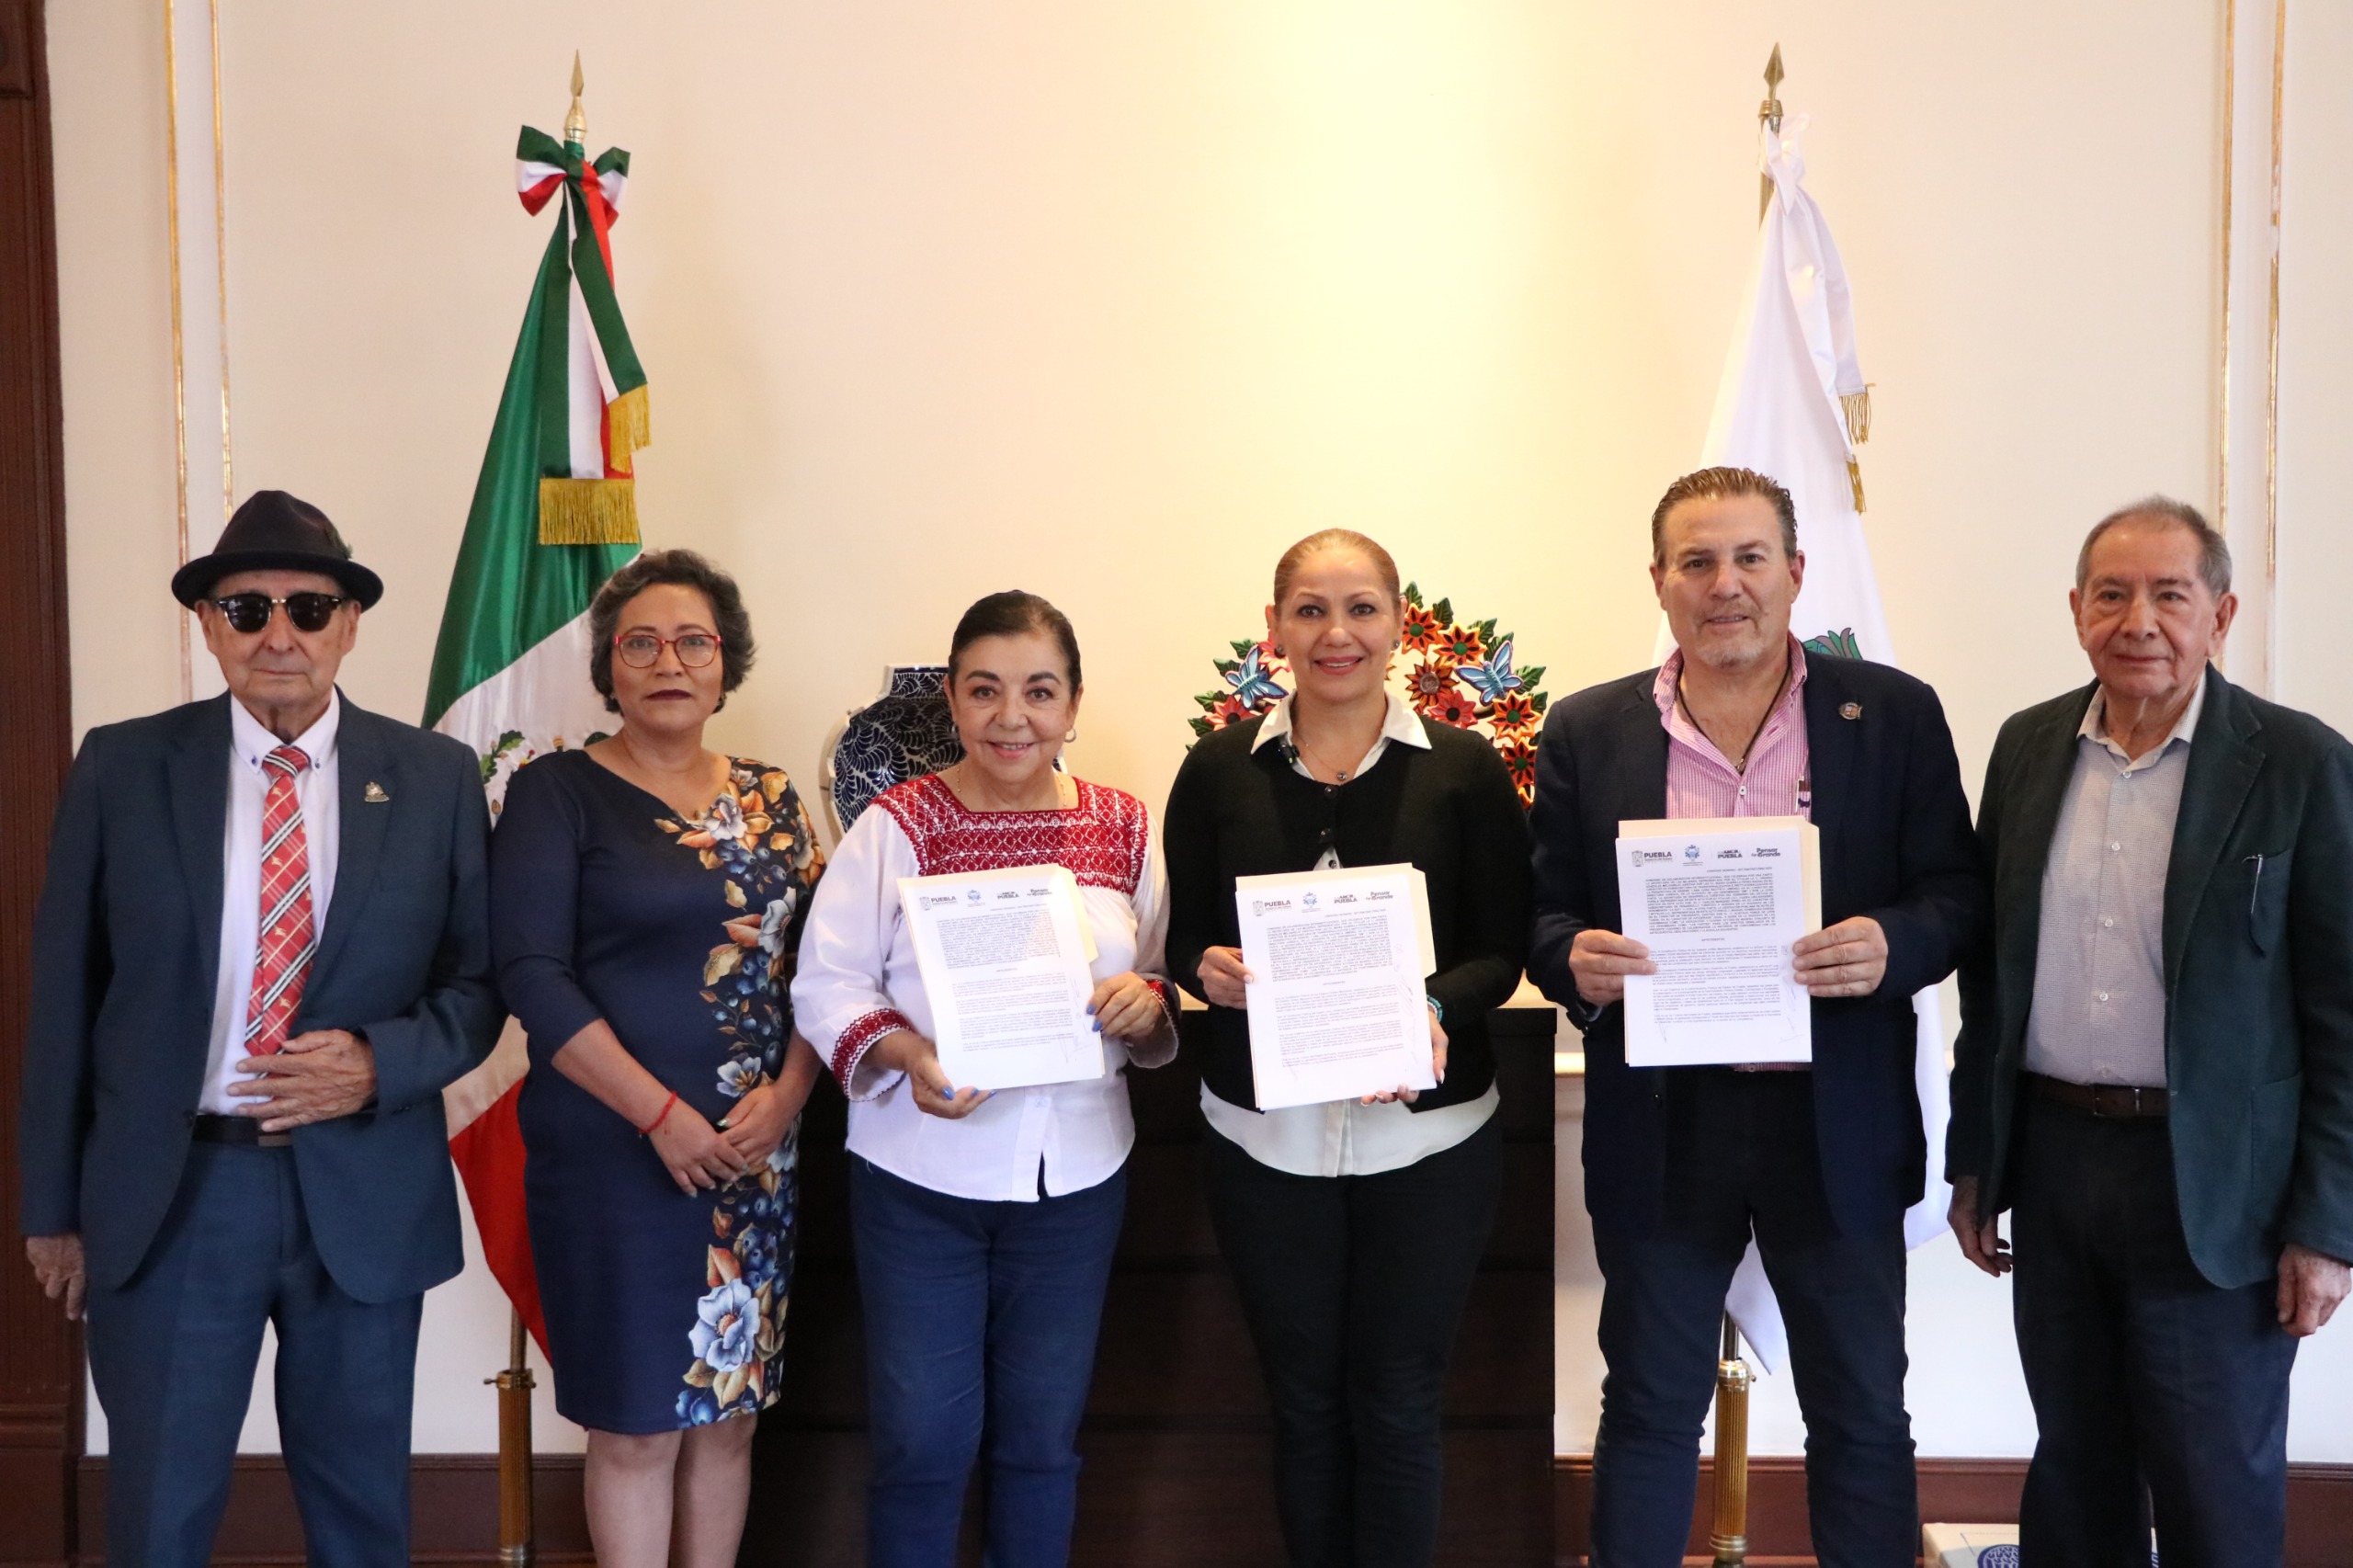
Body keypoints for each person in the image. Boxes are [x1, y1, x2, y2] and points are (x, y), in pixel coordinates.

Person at [17, 491, 502, 1568]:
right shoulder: (122, 766)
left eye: (309, 607)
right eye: (247, 608)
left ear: (350, 623)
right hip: (177, 1192)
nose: (279, 633)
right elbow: (64, 992)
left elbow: (477, 985)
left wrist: (376, 1062)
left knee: (363, 1511)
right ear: (208, 624)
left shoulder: (433, 777)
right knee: (159, 1510)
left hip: (363, 1189)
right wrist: (52, 1205)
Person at [1528, 467, 1984, 1564]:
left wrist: (1892, 943)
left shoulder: (1892, 712)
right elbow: (1542, 911)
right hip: (1662, 1121)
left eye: (1747, 558)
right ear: (1659, 580)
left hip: (1836, 1122)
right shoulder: (1587, 728)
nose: (1722, 584)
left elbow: (1957, 893)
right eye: (1696, 561)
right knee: (1648, 1405)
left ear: (1794, 571)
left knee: (1860, 1408)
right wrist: (1570, 957)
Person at [1946, 498, 2353, 1565]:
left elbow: (2343, 1015)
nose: (2138, 620)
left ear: (2219, 614)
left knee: (2213, 1483)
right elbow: (1990, 978)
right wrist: (1977, 1158)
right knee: (2075, 1473)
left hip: (2215, 1185)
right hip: (2056, 1162)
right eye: (2112, 594)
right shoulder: (2027, 747)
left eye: (2169, 594)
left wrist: (2327, 1224)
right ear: (2075, 610)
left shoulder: (2299, 762)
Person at [1161, 529, 1531, 1568]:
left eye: (1361, 608)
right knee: (1304, 1401)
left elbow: (1502, 947)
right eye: (1311, 609)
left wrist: (1435, 1005)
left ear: (1398, 623)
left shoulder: (1464, 769)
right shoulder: (1216, 769)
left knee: (1400, 1400)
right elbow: (1184, 939)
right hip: (1264, 1141)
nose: (1337, 632)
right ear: (1274, 626)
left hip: (1430, 1143)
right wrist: (1205, 967)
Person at [791, 590, 1177, 1568]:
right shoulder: (897, 825)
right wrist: (908, 1054)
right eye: (985, 690)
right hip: (922, 1178)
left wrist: (1145, 1000)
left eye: (1039, 691)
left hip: (1076, 1179)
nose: (1013, 717)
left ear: (1073, 703)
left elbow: (1154, 971)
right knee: (923, 1442)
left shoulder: (1125, 826)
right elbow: (827, 982)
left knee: (1041, 1442)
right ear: (953, 702)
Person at [489, 550, 825, 1568]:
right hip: (614, 1160)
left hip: (754, 1160)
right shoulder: (555, 791)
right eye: (641, 643)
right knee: (635, 1426)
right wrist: (660, 1116)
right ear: (608, 666)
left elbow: (826, 969)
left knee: (729, 1416)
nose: (668, 662)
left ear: (726, 662)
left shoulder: (774, 797)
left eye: (692, 642)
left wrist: (790, 1096)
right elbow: (532, 976)